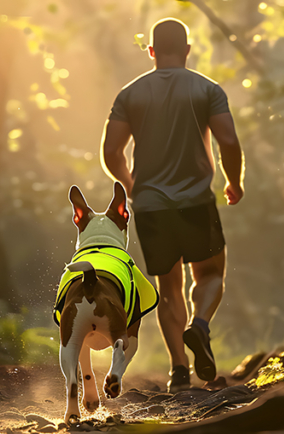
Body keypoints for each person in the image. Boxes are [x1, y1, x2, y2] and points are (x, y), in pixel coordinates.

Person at [100, 17, 244, 391]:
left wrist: (132, 187)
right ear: (188, 50)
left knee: (170, 287)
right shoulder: (207, 89)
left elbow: (111, 152)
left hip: (151, 206)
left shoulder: (129, 95)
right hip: (196, 201)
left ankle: (179, 370)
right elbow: (228, 140)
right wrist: (234, 181)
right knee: (210, 275)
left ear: (150, 52)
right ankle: (200, 326)